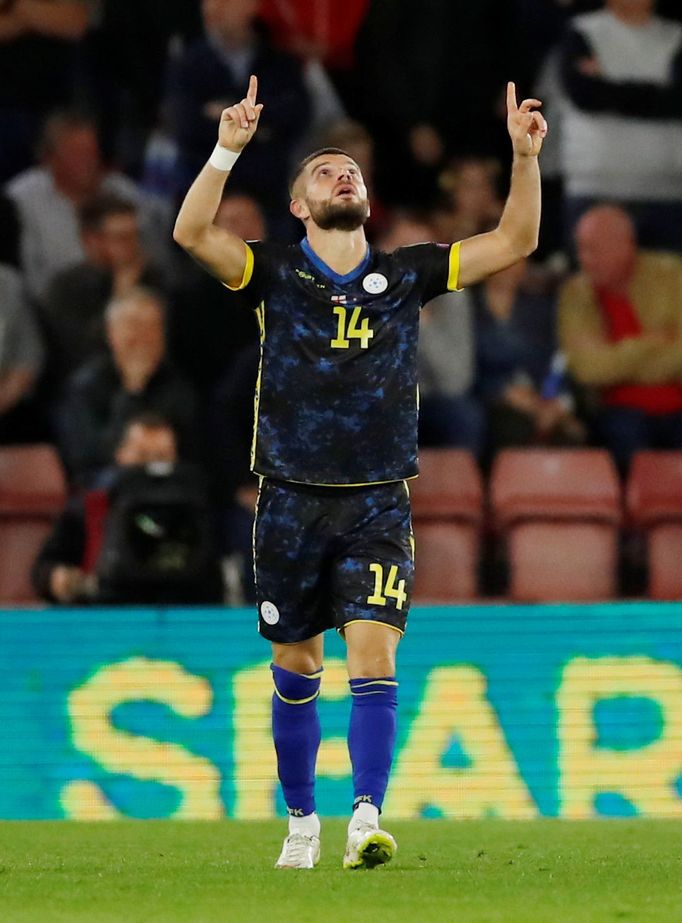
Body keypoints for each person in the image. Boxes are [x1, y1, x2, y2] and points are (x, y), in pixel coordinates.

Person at [173, 75, 546, 870]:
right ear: (301, 206)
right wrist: (225, 149)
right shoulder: (270, 272)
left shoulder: (408, 273)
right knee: (297, 664)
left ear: (368, 201)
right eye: (324, 172)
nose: (344, 175)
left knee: (374, 656)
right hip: (288, 500)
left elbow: (513, 241)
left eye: (354, 171)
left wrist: (522, 156)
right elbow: (189, 233)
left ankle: (364, 816)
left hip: (378, 500)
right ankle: (301, 819)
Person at [32, 413, 223, 605]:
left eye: (162, 457)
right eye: (142, 456)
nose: (152, 466)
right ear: (121, 454)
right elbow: (44, 570)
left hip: (185, 616)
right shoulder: (93, 504)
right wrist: (59, 578)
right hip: (108, 615)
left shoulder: (200, 506)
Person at [559, 204, 682, 474]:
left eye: (593, 249)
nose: (584, 259)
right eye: (581, 248)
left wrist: (618, 360)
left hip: (677, 406)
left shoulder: (672, 276)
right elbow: (588, 369)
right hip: (617, 411)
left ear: (625, 246)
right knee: (627, 439)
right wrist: (649, 345)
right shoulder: (575, 293)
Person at [558, 0, 682, 252]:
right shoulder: (582, 31)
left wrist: (610, 86)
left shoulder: (675, 35)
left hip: (667, 190)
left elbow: (677, 101)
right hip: (595, 188)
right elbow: (585, 95)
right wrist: (657, 92)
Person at [58, 286, 198, 486]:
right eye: (134, 326)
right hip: (109, 491)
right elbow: (88, 456)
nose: (143, 338)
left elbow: (192, 452)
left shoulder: (177, 384)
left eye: (152, 327)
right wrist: (132, 391)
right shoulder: (85, 387)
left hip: (172, 490)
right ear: (111, 333)